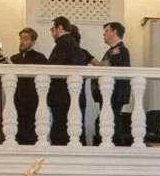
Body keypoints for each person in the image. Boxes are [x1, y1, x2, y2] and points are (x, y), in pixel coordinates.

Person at [45, 16, 91, 144]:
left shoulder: (64, 42)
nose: (51, 33)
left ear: (60, 28)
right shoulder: (72, 44)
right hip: (69, 95)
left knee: (60, 128)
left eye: (52, 29)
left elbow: (54, 66)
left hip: (62, 95)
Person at [98, 20, 134, 145]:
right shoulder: (112, 50)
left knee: (112, 121)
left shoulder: (120, 50)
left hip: (115, 93)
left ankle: (118, 147)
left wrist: (94, 62)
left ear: (115, 32)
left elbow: (111, 67)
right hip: (109, 93)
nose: (104, 34)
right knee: (108, 120)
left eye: (106, 31)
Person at [9, 26, 45, 144]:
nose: (22, 41)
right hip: (17, 97)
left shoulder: (40, 58)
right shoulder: (14, 58)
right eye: (21, 38)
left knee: (31, 128)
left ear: (33, 41)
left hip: (32, 98)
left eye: (25, 39)